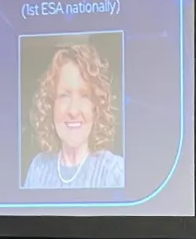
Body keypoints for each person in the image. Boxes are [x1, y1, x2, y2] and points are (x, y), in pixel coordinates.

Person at [23, 44, 125, 189]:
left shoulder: (115, 173)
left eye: (84, 96)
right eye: (64, 95)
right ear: (51, 104)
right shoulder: (38, 170)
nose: (74, 110)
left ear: (96, 107)